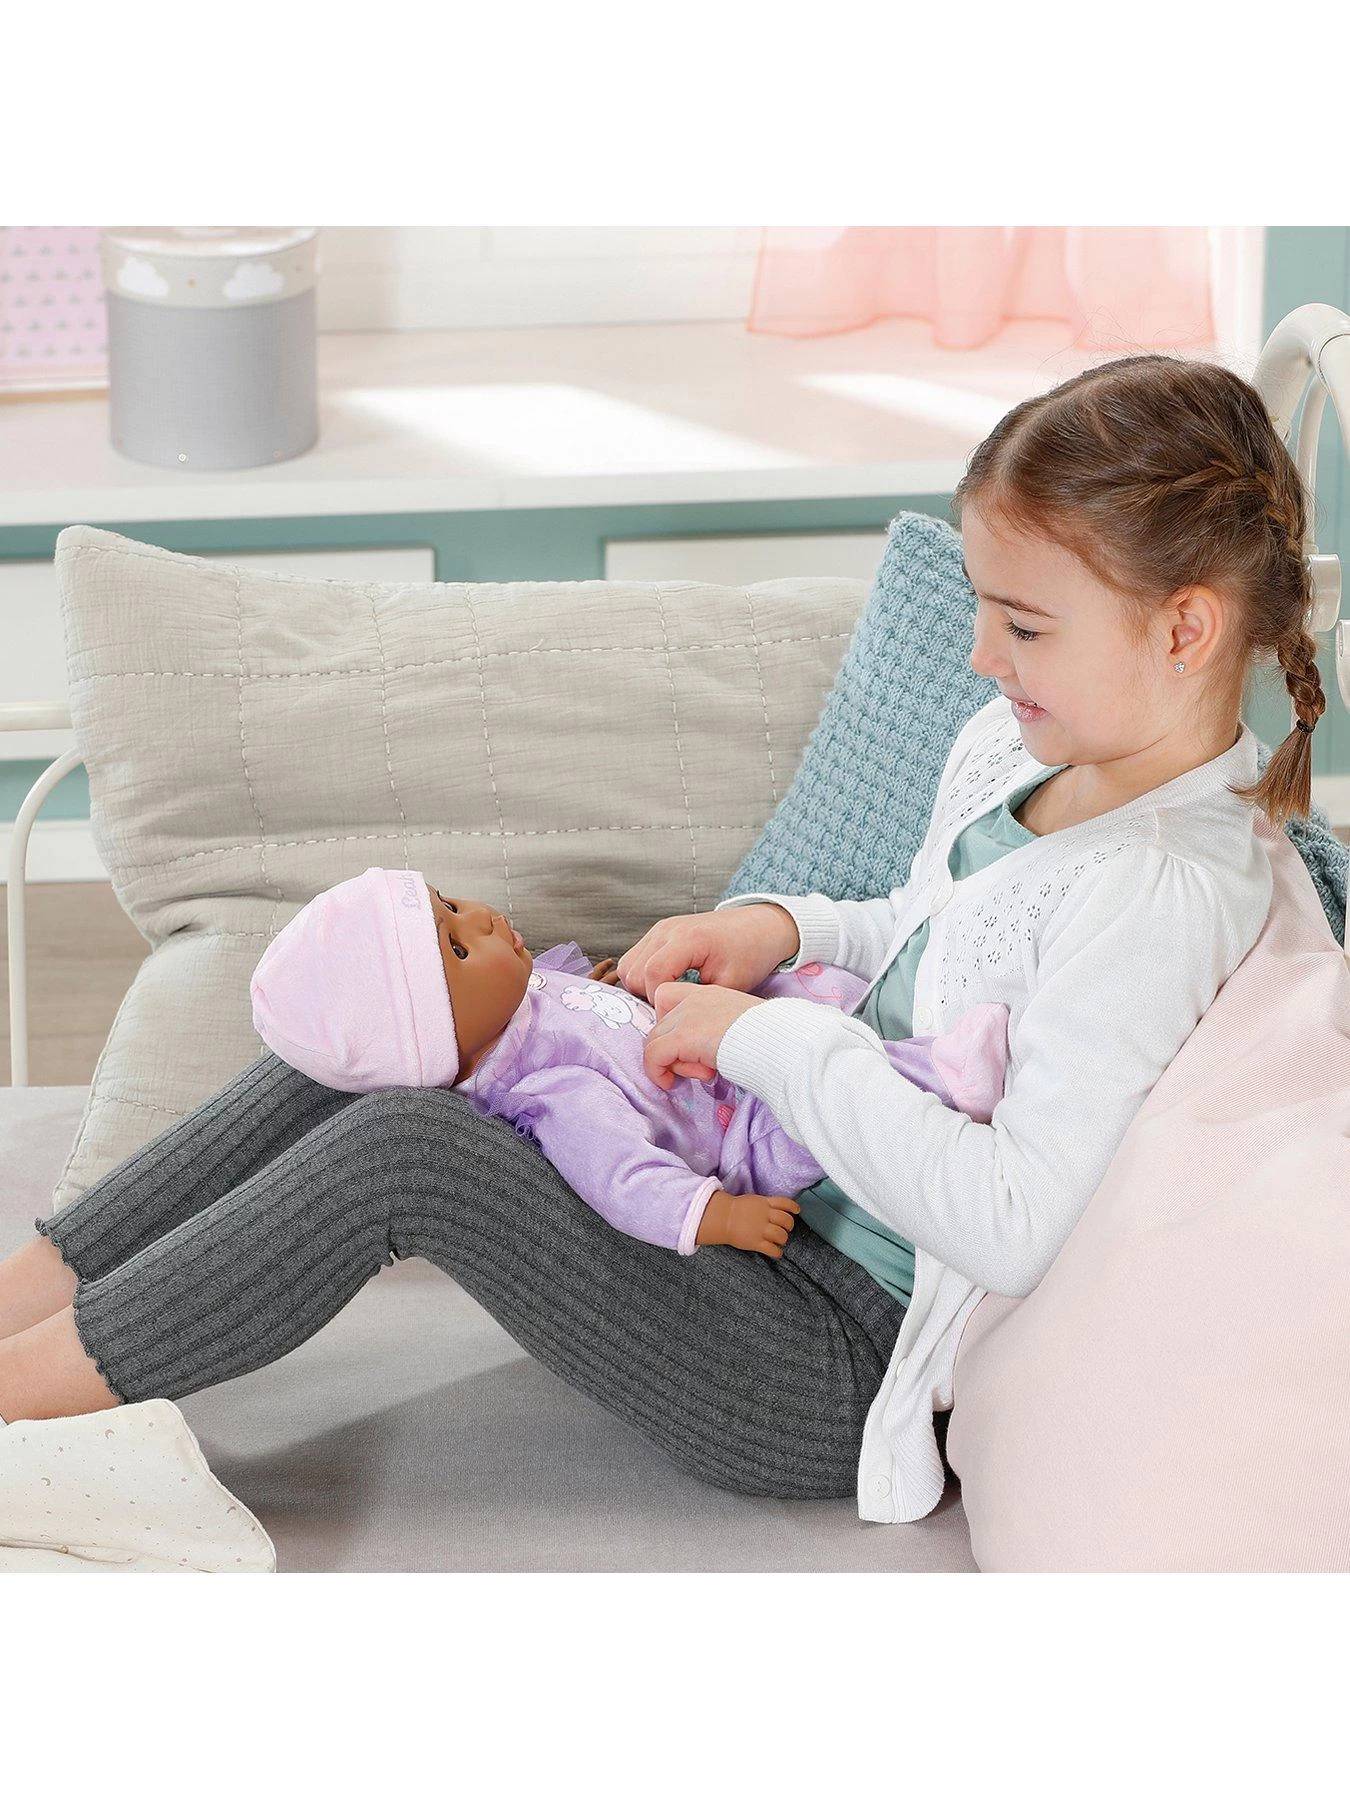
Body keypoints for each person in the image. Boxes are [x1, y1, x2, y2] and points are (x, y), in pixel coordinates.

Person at [0, 352, 1324, 1524]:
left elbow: (1011, 1221)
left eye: (1023, 625)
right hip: (745, 1179)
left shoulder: (1163, 890)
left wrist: (770, 1045)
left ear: (1184, 627)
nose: (982, 654)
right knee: (408, 1009)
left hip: (825, 1349)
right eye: (985, 607)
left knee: (412, 1151)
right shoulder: (1024, 748)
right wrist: (772, 928)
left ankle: (17, 1396)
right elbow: (932, 936)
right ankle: (21, 1300)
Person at [244, 867, 1012, 1258]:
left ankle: (895, 1031)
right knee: (814, 1112)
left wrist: (607, 989)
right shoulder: (548, 1091)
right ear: (441, 1038)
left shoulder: (528, 991)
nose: (480, 919)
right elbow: (621, 1179)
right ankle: (944, 1073)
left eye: (451, 903)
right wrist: (715, 1215)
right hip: (738, 1129)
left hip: (713, 1045)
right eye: (457, 947)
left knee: (796, 992)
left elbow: (583, 1005)